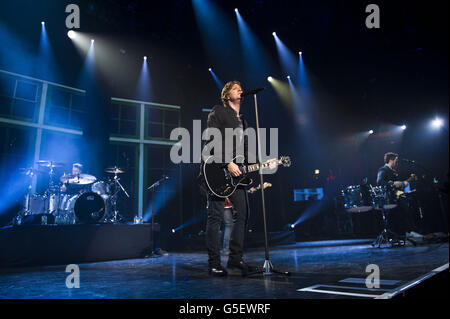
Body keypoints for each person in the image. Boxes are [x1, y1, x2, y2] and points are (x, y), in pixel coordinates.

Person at [201, 81, 263, 277]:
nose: (241, 91)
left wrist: (259, 163)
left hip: (236, 175)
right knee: (215, 217)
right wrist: (227, 162)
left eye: (241, 89)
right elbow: (211, 140)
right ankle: (214, 263)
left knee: (243, 215)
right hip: (216, 170)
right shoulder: (218, 111)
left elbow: (243, 153)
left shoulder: (243, 122)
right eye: (236, 89)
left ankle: (236, 260)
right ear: (227, 95)